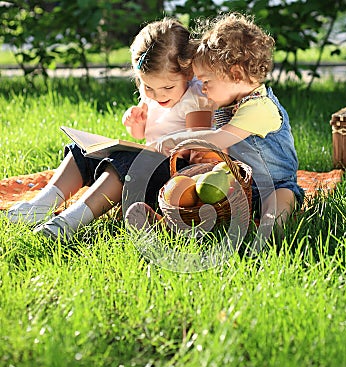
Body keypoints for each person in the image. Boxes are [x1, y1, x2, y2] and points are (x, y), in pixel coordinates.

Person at [5, 17, 212, 242]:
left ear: (188, 73)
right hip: (147, 164)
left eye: (167, 87)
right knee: (83, 150)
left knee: (123, 163)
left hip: (174, 174)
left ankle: (69, 221)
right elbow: (144, 135)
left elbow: (198, 146)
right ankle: (42, 204)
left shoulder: (194, 99)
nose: (157, 94)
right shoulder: (152, 96)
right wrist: (136, 125)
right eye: (147, 86)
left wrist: (171, 148)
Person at [126, 12, 304, 232]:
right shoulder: (228, 100)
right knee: (199, 197)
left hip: (275, 186)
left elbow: (218, 139)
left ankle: (265, 229)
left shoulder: (260, 107)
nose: (203, 88)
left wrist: (174, 140)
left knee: (277, 207)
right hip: (237, 185)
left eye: (207, 81)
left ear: (236, 74)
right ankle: (172, 226)